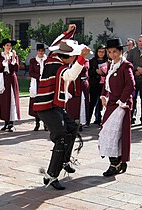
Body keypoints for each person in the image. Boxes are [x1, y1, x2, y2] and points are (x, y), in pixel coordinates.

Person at [33, 24, 91, 190]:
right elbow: (72, 75)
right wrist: (81, 58)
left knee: (72, 128)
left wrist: (69, 32)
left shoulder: (53, 55)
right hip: (46, 107)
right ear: (67, 57)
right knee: (61, 138)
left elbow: (58, 41)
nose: (73, 59)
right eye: (72, 57)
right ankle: (51, 176)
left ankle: (64, 160)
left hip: (54, 105)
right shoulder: (59, 67)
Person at [99, 38, 135, 177]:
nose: (112, 54)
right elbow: (105, 84)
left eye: (115, 51)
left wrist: (121, 100)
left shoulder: (126, 66)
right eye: (110, 52)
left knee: (111, 134)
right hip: (111, 104)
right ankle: (119, 161)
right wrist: (103, 96)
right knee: (109, 133)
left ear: (121, 51)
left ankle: (115, 164)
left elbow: (130, 85)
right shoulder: (110, 65)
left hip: (121, 105)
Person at [0, 38, 20, 132]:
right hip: (3, 79)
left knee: (12, 100)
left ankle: (11, 123)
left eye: (10, 45)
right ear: (3, 46)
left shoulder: (14, 56)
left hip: (12, 79)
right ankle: (5, 122)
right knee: (4, 101)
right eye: (7, 45)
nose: (9, 47)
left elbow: (16, 68)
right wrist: (4, 61)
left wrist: (13, 59)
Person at [28, 43, 47, 131]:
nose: (41, 52)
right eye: (39, 51)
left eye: (42, 51)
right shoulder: (33, 61)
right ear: (37, 51)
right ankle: (37, 123)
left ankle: (46, 124)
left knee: (45, 104)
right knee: (36, 103)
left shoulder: (47, 60)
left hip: (46, 84)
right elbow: (31, 72)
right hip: (37, 84)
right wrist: (39, 76)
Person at [88, 44, 108, 126]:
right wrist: (96, 71)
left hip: (103, 85)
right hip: (94, 84)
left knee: (101, 103)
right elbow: (88, 72)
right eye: (99, 52)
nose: (101, 53)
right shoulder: (92, 61)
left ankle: (98, 119)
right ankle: (87, 120)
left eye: (103, 52)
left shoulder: (108, 61)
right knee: (92, 102)